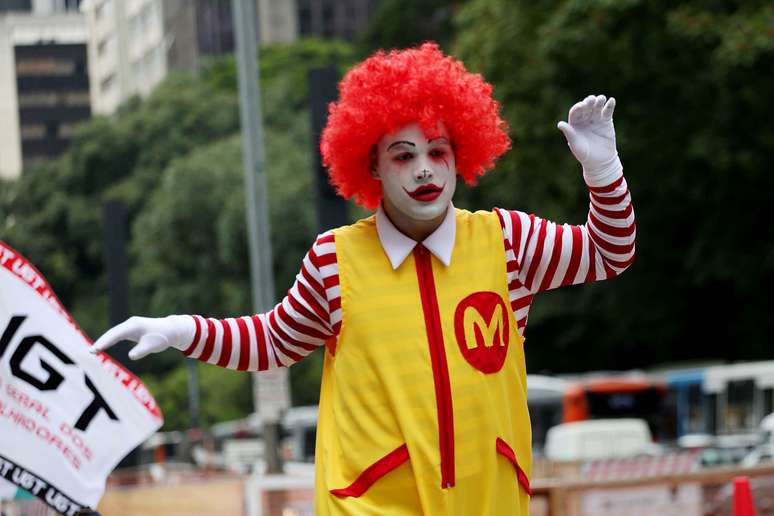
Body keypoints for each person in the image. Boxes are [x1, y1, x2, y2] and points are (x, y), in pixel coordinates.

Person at [92, 43, 635, 515]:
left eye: (437, 151)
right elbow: (273, 342)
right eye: (403, 155)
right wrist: (182, 330)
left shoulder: (508, 242)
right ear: (371, 166)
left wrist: (603, 170)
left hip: (486, 499)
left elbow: (610, 251)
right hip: (373, 502)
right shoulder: (336, 260)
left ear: (459, 156)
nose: (424, 168)